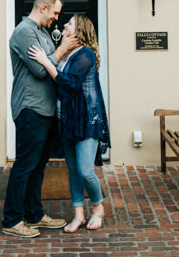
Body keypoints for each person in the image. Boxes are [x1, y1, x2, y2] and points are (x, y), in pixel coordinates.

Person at [1, 0, 78, 238]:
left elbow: (50, 63)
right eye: (55, 12)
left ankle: (34, 214)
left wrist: (56, 54)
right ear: (43, 8)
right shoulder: (24, 32)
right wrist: (63, 48)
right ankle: (12, 220)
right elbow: (40, 70)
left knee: (38, 165)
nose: (57, 18)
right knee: (25, 165)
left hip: (45, 109)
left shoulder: (43, 33)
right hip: (30, 108)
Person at [28, 14, 110, 233]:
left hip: (86, 120)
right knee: (72, 170)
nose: (64, 25)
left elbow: (70, 84)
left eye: (70, 23)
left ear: (80, 30)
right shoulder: (67, 55)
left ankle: (98, 207)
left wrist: (46, 61)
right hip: (68, 120)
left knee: (85, 171)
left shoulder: (86, 54)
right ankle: (78, 214)